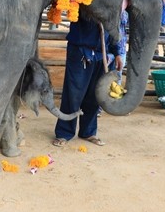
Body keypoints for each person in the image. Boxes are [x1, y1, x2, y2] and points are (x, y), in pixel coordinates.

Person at [52, 13, 123, 148]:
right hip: (80, 51)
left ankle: (88, 132)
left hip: (102, 54)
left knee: (94, 95)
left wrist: (117, 52)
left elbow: (114, 29)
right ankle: (64, 132)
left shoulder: (112, 2)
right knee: (73, 94)